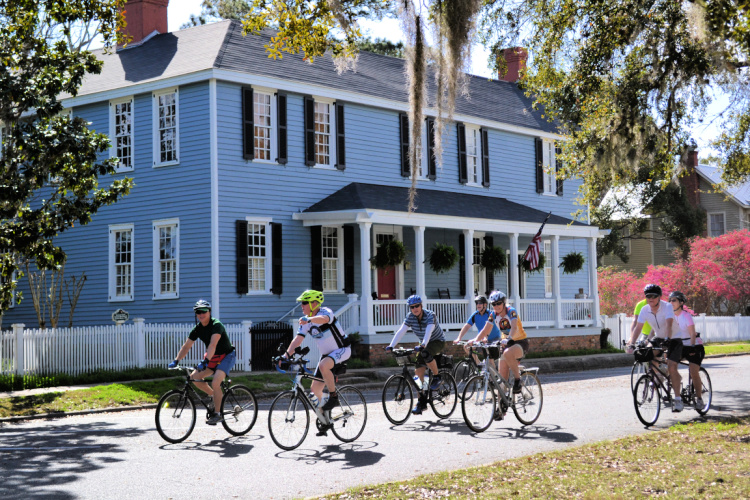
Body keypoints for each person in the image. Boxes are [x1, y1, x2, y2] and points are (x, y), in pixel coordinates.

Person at [279, 290, 351, 434]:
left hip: (342, 350)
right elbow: (298, 340)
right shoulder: (306, 321)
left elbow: (324, 319)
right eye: (301, 303)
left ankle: (333, 397)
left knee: (324, 366)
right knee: (315, 391)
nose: (302, 306)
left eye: (304, 303)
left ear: (314, 304)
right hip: (326, 355)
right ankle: (325, 420)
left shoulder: (325, 312)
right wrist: (285, 355)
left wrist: (310, 320)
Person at [169, 300, 237, 425]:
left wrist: (206, 360)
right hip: (213, 357)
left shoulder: (217, 325)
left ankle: (218, 414)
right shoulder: (197, 329)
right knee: (194, 377)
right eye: (198, 312)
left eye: (204, 311)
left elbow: (212, 345)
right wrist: (176, 360)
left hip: (227, 355)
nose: (201, 314)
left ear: (209, 312)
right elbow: (186, 346)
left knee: (216, 381)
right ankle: (214, 395)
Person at [385, 294, 446, 415]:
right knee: (418, 374)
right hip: (423, 344)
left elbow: (429, 331)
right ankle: (421, 402)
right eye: (412, 307)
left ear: (421, 305)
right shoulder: (410, 317)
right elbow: (401, 331)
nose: (415, 309)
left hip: (437, 341)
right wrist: (391, 345)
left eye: (417, 306)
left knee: (426, 353)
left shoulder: (430, 315)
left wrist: (423, 344)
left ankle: (437, 376)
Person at [627, 284, 681, 411]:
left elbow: (669, 324)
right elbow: (638, 328)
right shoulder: (645, 309)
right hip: (658, 337)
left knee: (672, 366)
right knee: (646, 353)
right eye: (648, 296)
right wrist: (632, 342)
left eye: (653, 296)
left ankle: (678, 399)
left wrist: (668, 339)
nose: (650, 299)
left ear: (659, 297)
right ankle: (658, 374)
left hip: (674, 338)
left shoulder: (667, 307)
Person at [469, 290, 529, 397]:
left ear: (503, 302)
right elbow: (485, 330)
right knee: (502, 382)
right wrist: (475, 341)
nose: (496, 306)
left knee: (507, 353)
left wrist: (509, 337)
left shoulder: (511, 311)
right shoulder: (493, 314)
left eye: (498, 303)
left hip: (520, 342)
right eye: (494, 304)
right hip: (506, 345)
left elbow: (514, 327)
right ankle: (500, 410)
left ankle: (517, 380)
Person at [669, 291, 705, 410]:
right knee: (670, 365)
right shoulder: (670, 316)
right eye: (670, 300)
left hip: (693, 345)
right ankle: (677, 394)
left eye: (674, 300)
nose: (671, 302)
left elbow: (692, 333)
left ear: (681, 302)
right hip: (680, 346)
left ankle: (699, 399)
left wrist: (693, 346)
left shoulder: (686, 316)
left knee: (693, 371)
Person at [454, 295, 501, 366]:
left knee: (490, 361)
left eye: (480, 303)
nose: (478, 305)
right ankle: (479, 364)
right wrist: (459, 338)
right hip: (482, 339)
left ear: (485, 305)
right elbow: (466, 326)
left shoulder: (490, 314)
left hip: (494, 340)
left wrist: (486, 337)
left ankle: (493, 376)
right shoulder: (475, 315)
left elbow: (489, 328)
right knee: (467, 346)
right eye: (477, 303)